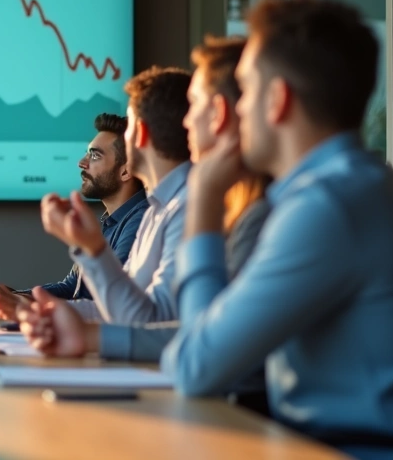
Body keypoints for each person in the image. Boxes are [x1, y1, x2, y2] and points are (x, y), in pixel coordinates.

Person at [162, 0, 393, 458]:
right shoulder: (350, 189)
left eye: (247, 89)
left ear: (278, 100)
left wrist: (202, 200)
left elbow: (196, 365)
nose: (238, 111)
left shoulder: (327, 207)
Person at [18, 36, 271, 364]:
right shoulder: (156, 207)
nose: (188, 121)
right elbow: (136, 311)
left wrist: (92, 253)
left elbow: (179, 338)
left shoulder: (201, 206)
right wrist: (39, 309)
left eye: (196, 106)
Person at [34, 67, 192, 324]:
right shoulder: (155, 209)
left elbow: (140, 316)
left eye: (95, 155)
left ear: (139, 134)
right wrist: (21, 303)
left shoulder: (165, 210)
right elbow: (119, 303)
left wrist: (90, 248)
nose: (81, 163)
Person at [0, 114, 148, 319]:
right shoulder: (112, 220)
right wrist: (8, 298)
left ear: (126, 171)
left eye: (95, 156)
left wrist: (19, 304)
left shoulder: (140, 221)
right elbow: (72, 289)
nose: (81, 163)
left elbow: (109, 303)